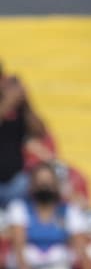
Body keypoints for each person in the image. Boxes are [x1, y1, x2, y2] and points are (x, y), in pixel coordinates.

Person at [0, 64, 47, 208]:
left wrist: (26, 103)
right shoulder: (9, 102)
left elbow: (39, 132)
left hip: (15, 181)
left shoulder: (18, 107)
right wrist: (8, 101)